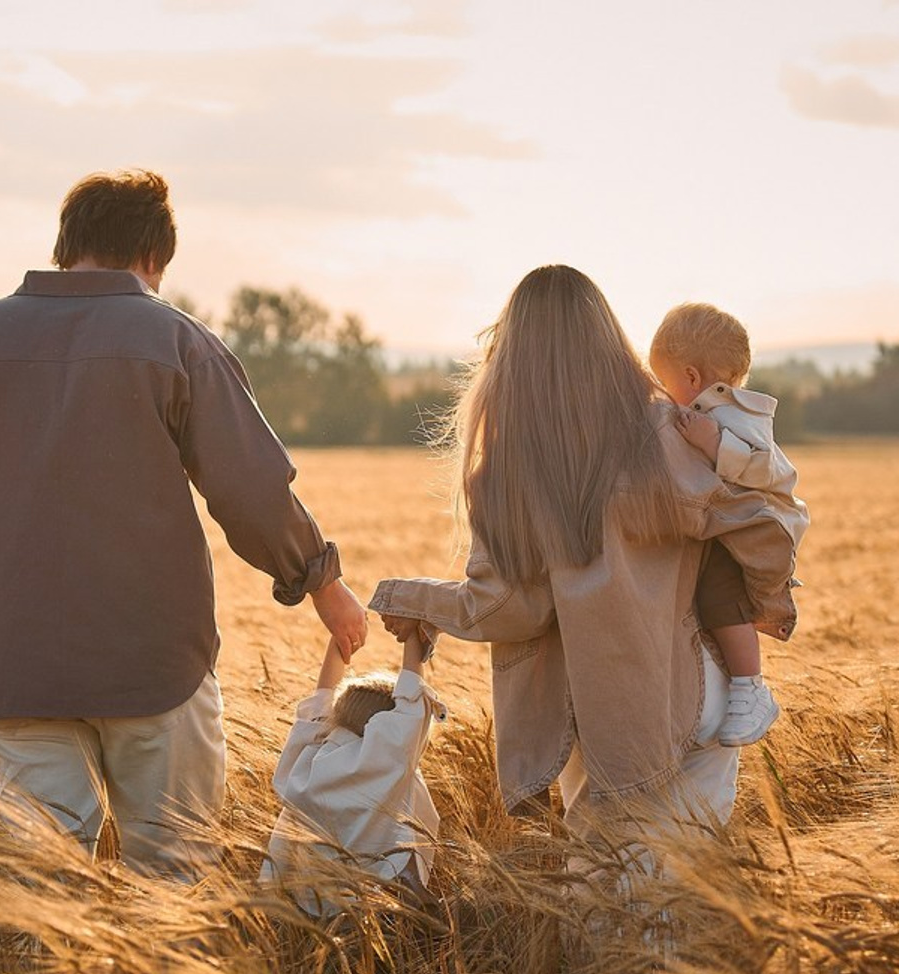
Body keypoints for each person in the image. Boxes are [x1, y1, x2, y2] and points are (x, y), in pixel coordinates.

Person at [0, 169, 367, 880]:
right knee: (174, 877)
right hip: (152, 662)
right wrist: (321, 582)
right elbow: (251, 491)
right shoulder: (176, 340)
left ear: (67, 246)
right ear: (153, 256)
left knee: (45, 886)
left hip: (15, 664)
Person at [369, 265, 808, 855]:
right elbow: (762, 528)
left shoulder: (502, 472)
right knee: (692, 893)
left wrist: (409, 599)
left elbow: (507, 609)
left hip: (600, 721)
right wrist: (761, 602)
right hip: (696, 697)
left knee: (606, 894)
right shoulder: (665, 431)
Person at [649, 302, 806, 746]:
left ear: (692, 377)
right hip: (731, 523)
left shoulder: (737, 417)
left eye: (665, 383)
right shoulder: (709, 410)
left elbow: (770, 470)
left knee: (720, 594)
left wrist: (716, 443)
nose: (664, 395)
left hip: (756, 529)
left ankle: (750, 687)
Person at [260, 630, 446, 917]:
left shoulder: (307, 759)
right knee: (408, 781)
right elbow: (411, 704)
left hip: (315, 898)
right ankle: (412, 885)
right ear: (383, 725)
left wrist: (340, 638)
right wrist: (411, 631)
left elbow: (322, 700)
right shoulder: (385, 760)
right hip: (381, 894)